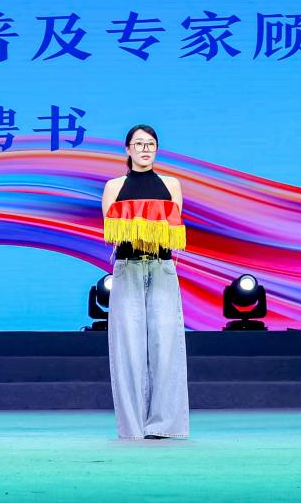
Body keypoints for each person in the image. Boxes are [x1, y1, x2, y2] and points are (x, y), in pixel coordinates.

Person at [101, 124, 189, 440]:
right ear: (128, 149)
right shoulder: (114, 186)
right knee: (127, 348)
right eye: (138, 144)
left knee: (166, 346)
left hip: (162, 268)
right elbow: (110, 229)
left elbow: (173, 226)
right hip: (128, 268)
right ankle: (133, 426)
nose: (144, 149)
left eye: (150, 144)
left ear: (157, 149)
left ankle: (165, 424)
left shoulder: (171, 184)